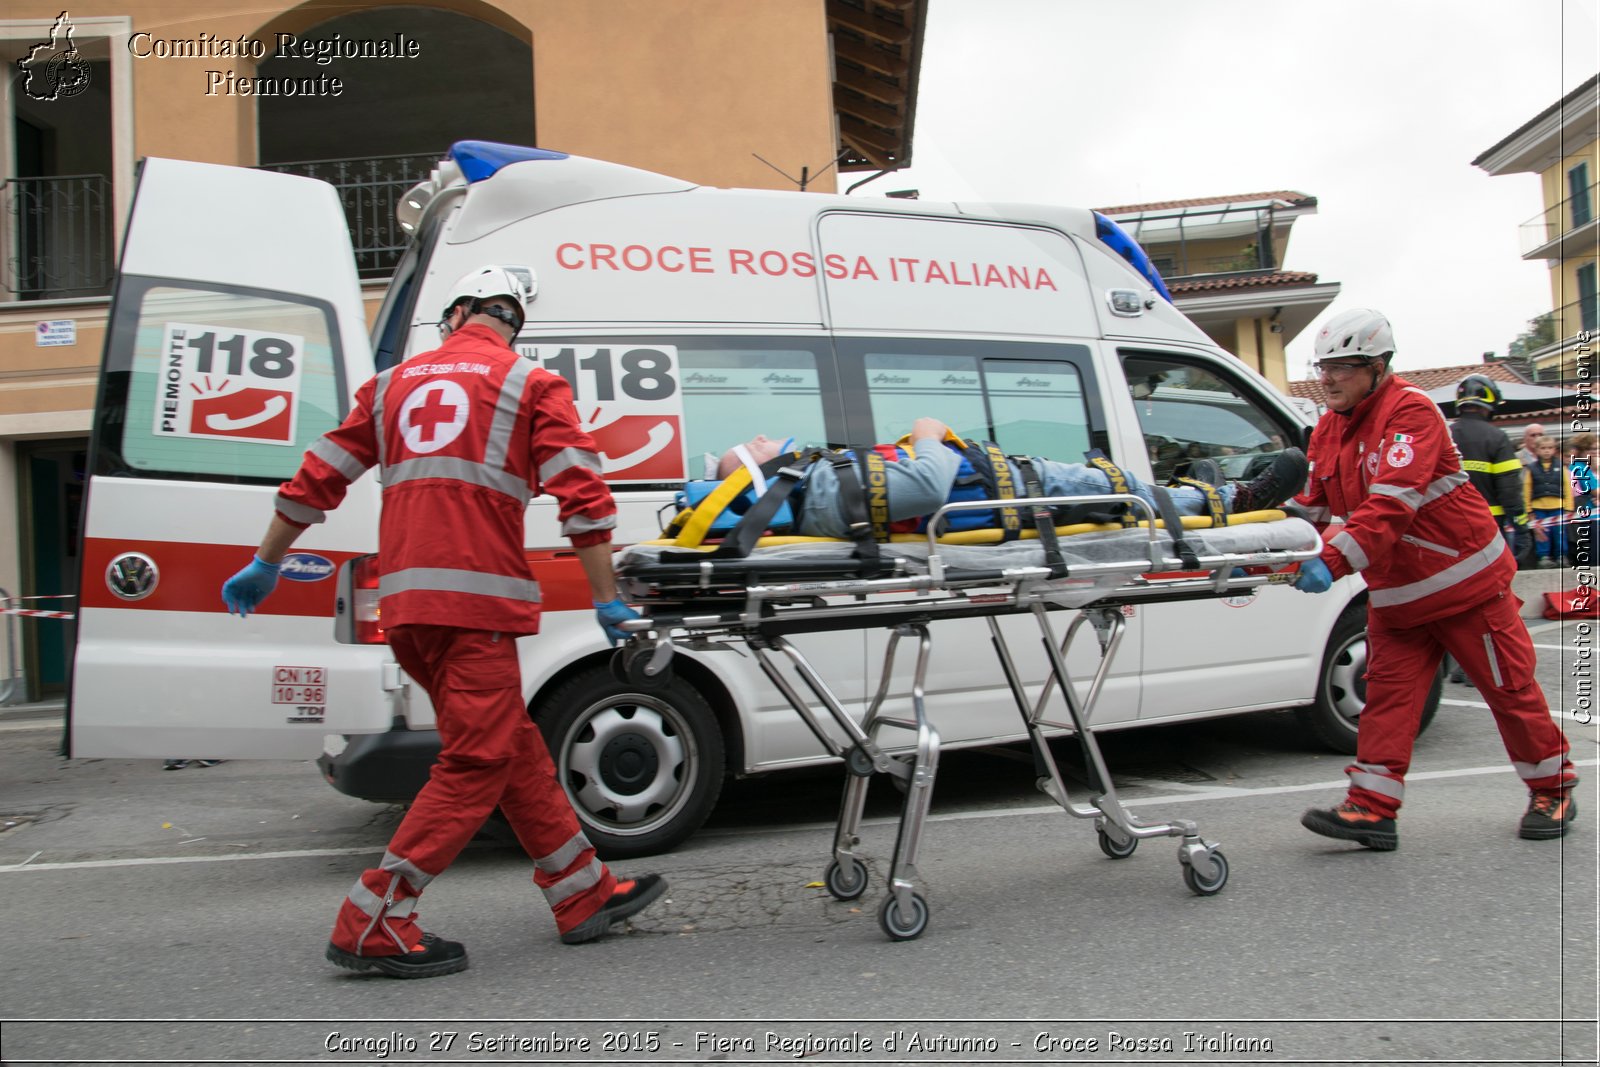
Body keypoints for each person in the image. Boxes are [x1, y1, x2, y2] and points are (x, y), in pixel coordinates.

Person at [220, 265, 665, 979]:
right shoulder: (530, 384)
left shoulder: (390, 384)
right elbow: (584, 494)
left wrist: (266, 559)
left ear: (456, 314)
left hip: (406, 607)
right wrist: (606, 595)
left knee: (508, 741)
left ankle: (580, 890)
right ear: (513, 322)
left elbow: (320, 474)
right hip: (475, 604)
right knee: (479, 758)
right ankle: (375, 915)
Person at [1290, 308, 1577, 848]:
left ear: (1378, 366)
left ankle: (1553, 787)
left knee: (1508, 691)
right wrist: (1270, 536)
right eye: (1322, 366)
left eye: (1342, 367)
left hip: (1465, 587)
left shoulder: (1411, 412)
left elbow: (1391, 506)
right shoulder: (1329, 427)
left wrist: (1330, 562)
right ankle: (1372, 809)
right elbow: (1317, 508)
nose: (1326, 378)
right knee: (1388, 702)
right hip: (1398, 595)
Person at [717, 418, 1310, 539]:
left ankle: (1201, 489)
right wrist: (928, 432)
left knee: (1114, 486)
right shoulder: (827, 490)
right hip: (1013, 497)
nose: (765, 434)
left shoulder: (822, 482)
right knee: (1117, 496)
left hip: (1001, 487)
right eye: (756, 441)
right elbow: (925, 485)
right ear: (763, 469)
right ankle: (1235, 497)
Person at [1447, 374, 1525, 682]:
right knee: (1488, 600)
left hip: (1446, 532)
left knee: (1452, 599)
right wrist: (1522, 526)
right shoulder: (1496, 438)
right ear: (1489, 402)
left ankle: (1458, 666)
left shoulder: (1445, 434)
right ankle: (1483, 670)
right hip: (1487, 531)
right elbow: (1509, 489)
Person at [1523, 434, 1573, 568]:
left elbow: (1567, 487)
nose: (1546, 451)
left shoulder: (1561, 467)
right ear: (1537, 450)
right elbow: (1527, 489)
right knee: (1542, 534)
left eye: (1550, 448)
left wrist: (1569, 507)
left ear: (1554, 450)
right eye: (1543, 448)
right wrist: (1528, 510)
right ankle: (1543, 556)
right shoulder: (1531, 469)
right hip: (1538, 508)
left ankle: (1561, 556)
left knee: (1559, 532)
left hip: (1558, 507)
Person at [1568, 432, 1597, 566]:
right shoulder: (1580, 468)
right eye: (1592, 449)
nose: (1596, 452)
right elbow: (1597, 492)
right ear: (1581, 451)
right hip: (1587, 519)